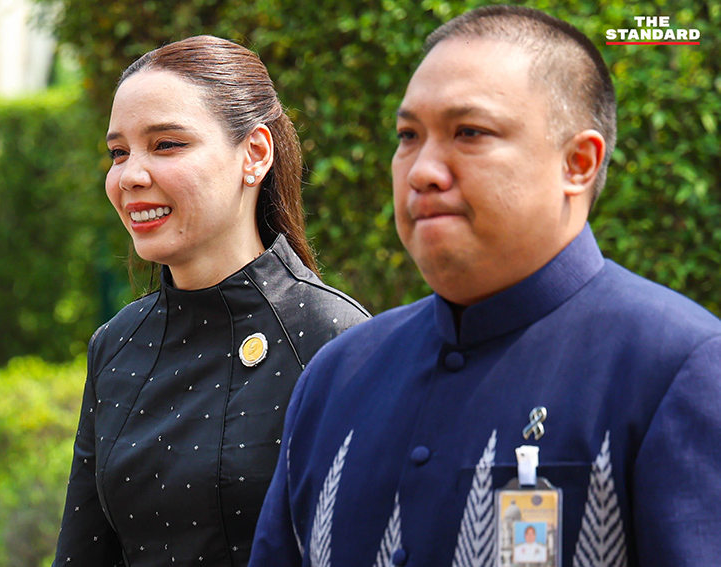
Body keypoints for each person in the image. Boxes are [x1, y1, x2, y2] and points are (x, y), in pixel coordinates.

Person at [249, 6, 721, 567]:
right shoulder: (336, 378)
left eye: (469, 132)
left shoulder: (677, 369)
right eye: (408, 135)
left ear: (578, 162)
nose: (422, 169)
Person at [52, 36, 369, 567]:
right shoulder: (116, 346)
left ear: (256, 154)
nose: (130, 175)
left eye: (167, 144)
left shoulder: (333, 338)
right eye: (118, 152)